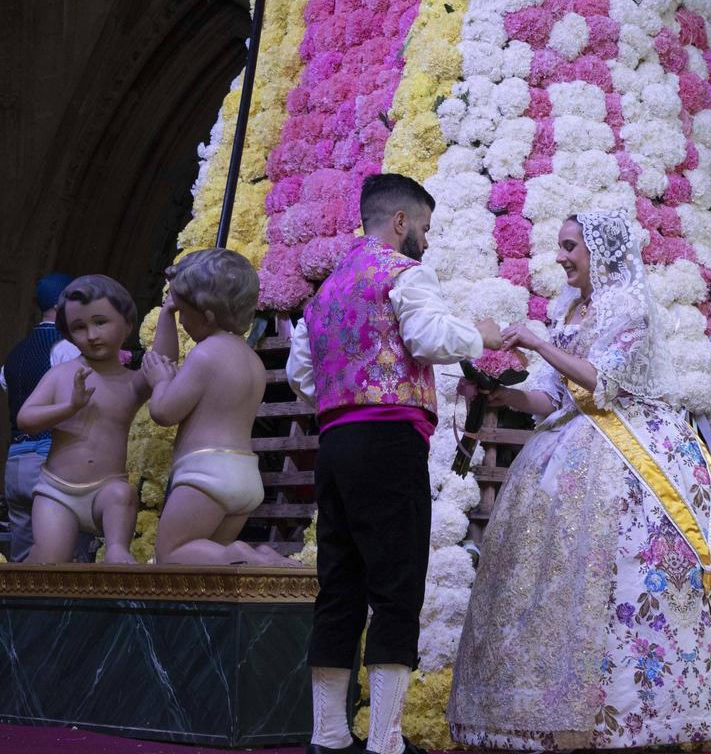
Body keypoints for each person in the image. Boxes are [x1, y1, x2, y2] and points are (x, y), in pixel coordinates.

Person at [447, 208, 711, 750]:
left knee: (638, 571)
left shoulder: (627, 304)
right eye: (561, 245)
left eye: (570, 245)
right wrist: (503, 394)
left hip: (636, 444)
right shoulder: (568, 306)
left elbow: (604, 382)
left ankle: (658, 715)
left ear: (600, 250)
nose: (561, 256)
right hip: (568, 443)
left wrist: (537, 343)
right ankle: (561, 712)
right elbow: (550, 396)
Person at [287, 173, 503, 754]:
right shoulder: (403, 273)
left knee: (339, 586)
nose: (426, 242)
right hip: (387, 445)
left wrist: (346, 395)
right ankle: (385, 742)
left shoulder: (325, 292)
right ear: (400, 222)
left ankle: (328, 736)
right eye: (425, 228)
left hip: (334, 446)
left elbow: (301, 376)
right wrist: (477, 335)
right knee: (395, 586)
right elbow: (431, 337)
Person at [141, 248, 297, 567]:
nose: (181, 320)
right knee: (207, 567)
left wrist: (160, 381)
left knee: (171, 553)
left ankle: (239, 553)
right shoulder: (251, 360)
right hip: (243, 475)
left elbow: (164, 412)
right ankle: (259, 555)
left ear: (207, 316)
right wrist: (168, 313)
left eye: (183, 313)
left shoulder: (206, 355)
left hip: (205, 473)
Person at [17, 275, 179, 564]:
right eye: (80, 327)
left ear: (127, 325)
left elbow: (162, 361)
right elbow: (26, 419)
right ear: (68, 334)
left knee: (121, 493)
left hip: (106, 492)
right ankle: (13, 599)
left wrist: (168, 312)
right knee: (48, 562)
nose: (91, 335)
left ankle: (117, 552)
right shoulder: (62, 374)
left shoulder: (131, 383)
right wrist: (68, 407)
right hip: (57, 491)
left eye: (100, 322)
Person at [1, 273, 81, 561]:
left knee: (21, 562)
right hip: (48, 458)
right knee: (61, 558)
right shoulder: (68, 350)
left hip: (15, 462)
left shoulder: (15, 352)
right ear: (65, 306)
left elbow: (8, 386)